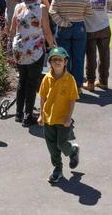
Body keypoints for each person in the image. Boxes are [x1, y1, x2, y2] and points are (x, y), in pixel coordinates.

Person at [8, 0, 56, 127]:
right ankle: (28, 116)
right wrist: (52, 45)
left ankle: (18, 113)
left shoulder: (18, 7)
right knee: (32, 82)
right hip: (34, 49)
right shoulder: (41, 8)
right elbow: (47, 31)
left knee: (22, 81)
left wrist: (12, 46)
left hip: (19, 48)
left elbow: (12, 29)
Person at [37, 47, 80, 183]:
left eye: (60, 59)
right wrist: (41, 115)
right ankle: (58, 168)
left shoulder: (69, 79)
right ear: (50, 62)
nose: (57, 62)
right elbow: (43, 97)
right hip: (48, 118)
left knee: (61, 143)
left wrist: (69, 117)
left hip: (63, 119)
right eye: (54, 60)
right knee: (51, 146)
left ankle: (72, 151)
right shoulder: (46, 79)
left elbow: (72, 99)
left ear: (65, 61)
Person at [49, 0, 92, 88]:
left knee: (63, 57)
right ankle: (77, 86)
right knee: (79, 58)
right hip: (79, 27)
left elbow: (52, 11)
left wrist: (63, 22)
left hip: (64, 28)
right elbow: (89, 12)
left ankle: (65, 84)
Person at [79, 0, 112, 92]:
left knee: (90, 56)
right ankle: (104, 81)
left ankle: (91, 82)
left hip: (88, 26)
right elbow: (109, 7)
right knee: (104, 55)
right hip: (104, 25)